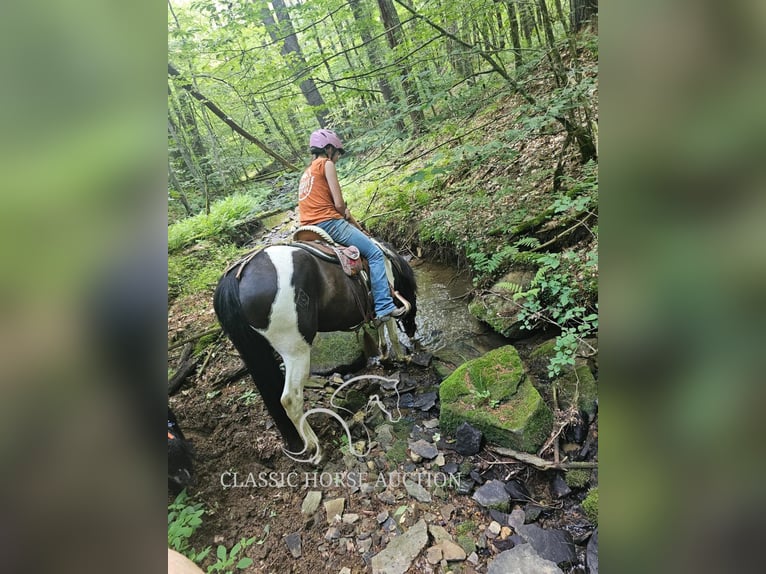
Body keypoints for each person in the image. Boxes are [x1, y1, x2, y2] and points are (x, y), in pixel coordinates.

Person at [298, 128, 405, 322]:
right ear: (328, 149)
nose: (338, 157)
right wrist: (343, 213)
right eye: (338, 152)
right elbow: (339, 205)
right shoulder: (326, 164)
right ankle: (383, 306)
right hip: (329, 223)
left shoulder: (307, 173)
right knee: (374, 253)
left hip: (307, 228)